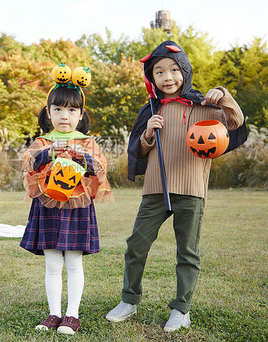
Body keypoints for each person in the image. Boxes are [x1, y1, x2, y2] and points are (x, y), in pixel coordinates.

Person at [105, 41, 247, 332]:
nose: (167, 77)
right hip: (156, 189)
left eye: (173, 69)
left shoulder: (204, 106)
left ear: (184, 71)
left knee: (187, 252)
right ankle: (129, 300)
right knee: (136, 245)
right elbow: (139, 151)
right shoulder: (152, 109)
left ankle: (181, 309)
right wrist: (147, 133)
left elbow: (235, 124)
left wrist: (224, 96)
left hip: (191, 189)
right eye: (159, 72)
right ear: (152, 78)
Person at [20, 66, 112, 335]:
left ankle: (72, 315)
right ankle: (53, 313)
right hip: (47, 206)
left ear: (81, 115)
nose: (64, 116)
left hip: (77, 207)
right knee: (52, 265)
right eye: (58, 109)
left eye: (72, 110)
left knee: (73, 263)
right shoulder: (42, 141)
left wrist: (81, 156)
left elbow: (100, 172)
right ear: (48, 112)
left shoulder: (87, 142)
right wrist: (49, 152)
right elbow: (29, 167)